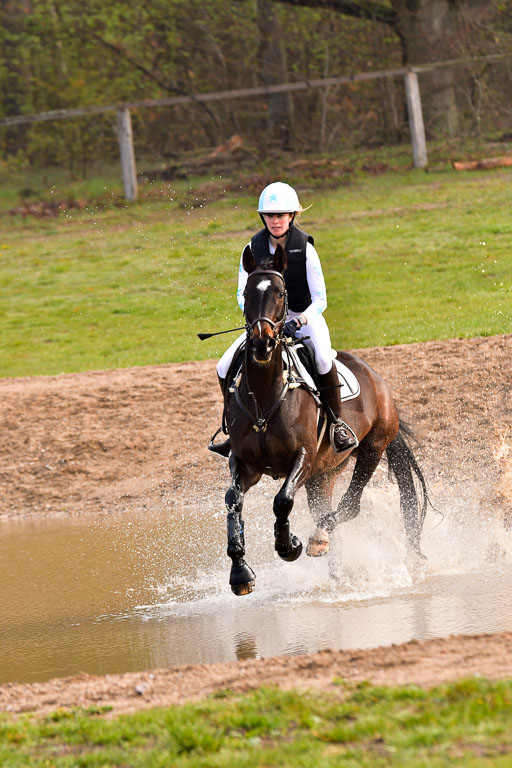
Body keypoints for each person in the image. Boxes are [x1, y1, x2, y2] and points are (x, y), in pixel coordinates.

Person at [209, 181, 357, 457]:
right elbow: (242, 293)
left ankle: (337, 425)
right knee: (223, 365)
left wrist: (298, 322)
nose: (275, 221)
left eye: (281, 215)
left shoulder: (306, 250)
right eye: (270, 215)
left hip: (303, 317)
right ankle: (232, 430)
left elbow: (321, 300)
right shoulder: (252, 249)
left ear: (291, 216)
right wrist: (259, 320)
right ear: (263, 217)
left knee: (324, 359)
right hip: (265, 323)